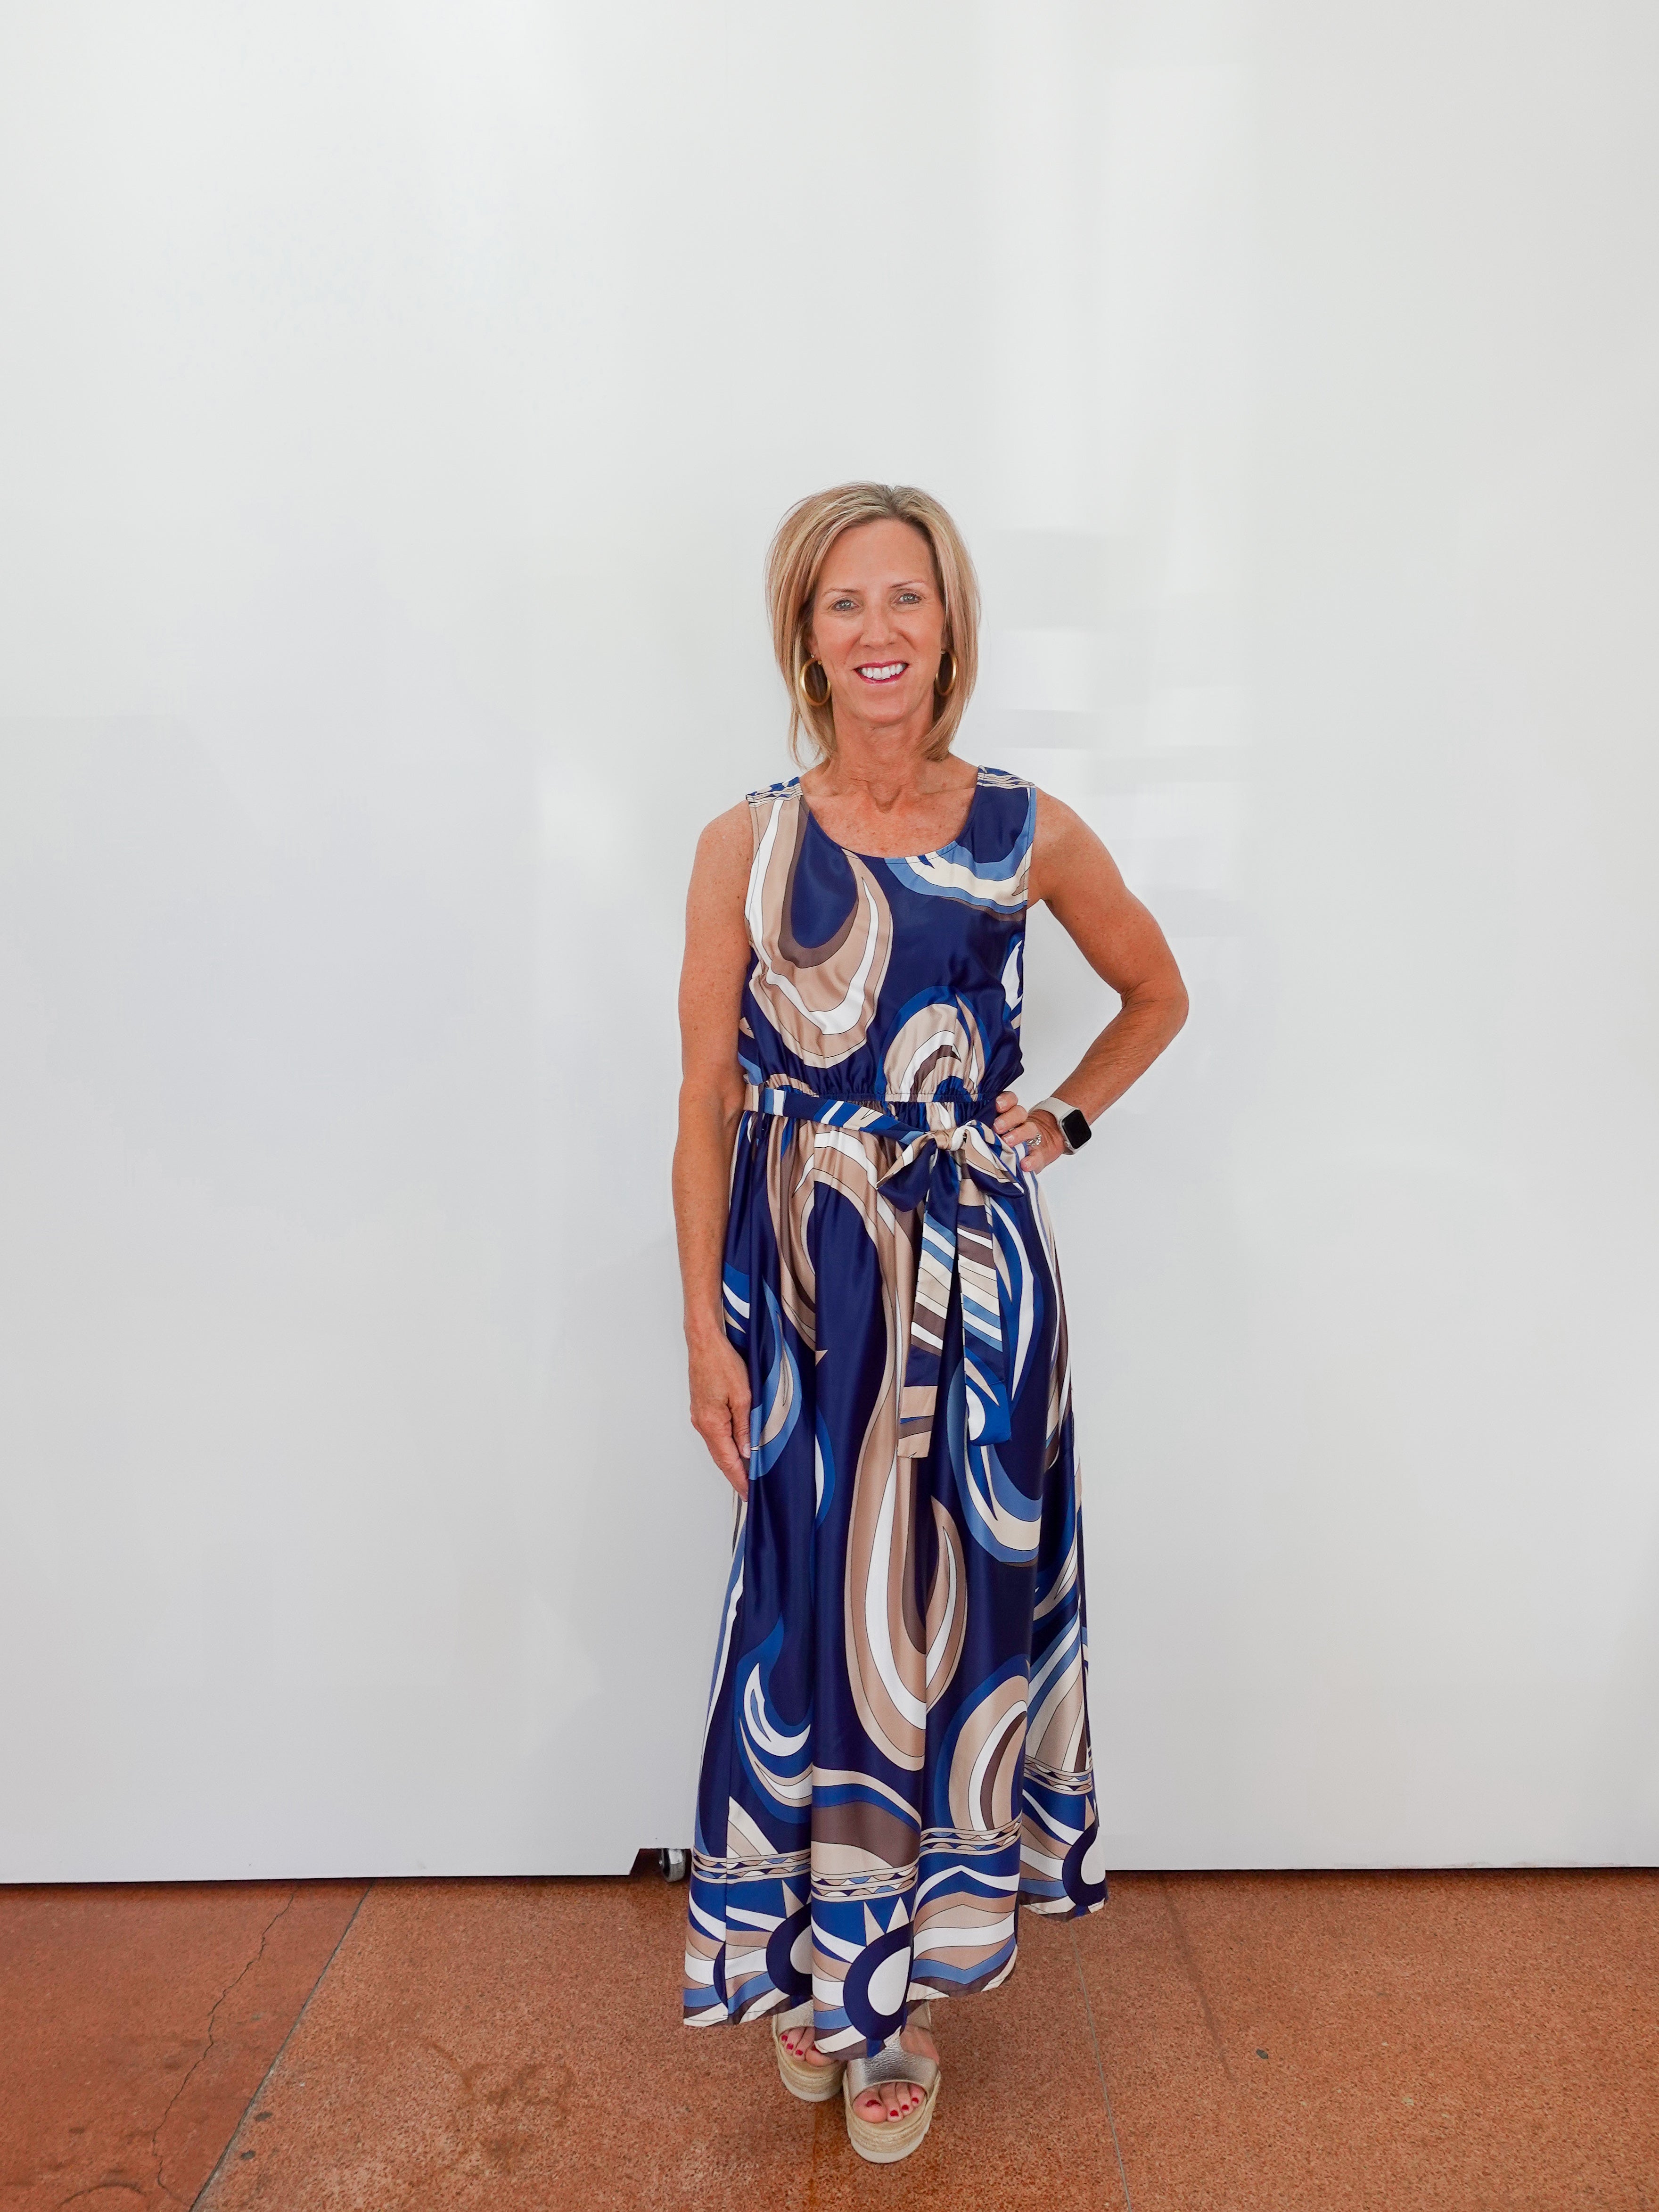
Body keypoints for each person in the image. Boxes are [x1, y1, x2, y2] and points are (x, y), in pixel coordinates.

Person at [673, 482, 1187, 2163]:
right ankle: (826, 1961)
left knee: (946, 1628)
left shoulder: (1023, 826)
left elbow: (1157, 990)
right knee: (812, 1628)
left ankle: (893, 2008)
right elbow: (701, 1102)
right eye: (846, 603)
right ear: (805, 637)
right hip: (807, 1292)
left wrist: (1061, 1120)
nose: (879, 629)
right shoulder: (747, 844)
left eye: (907, 597)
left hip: (977, 1292)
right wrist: (706, 1333)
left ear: (950, 624)